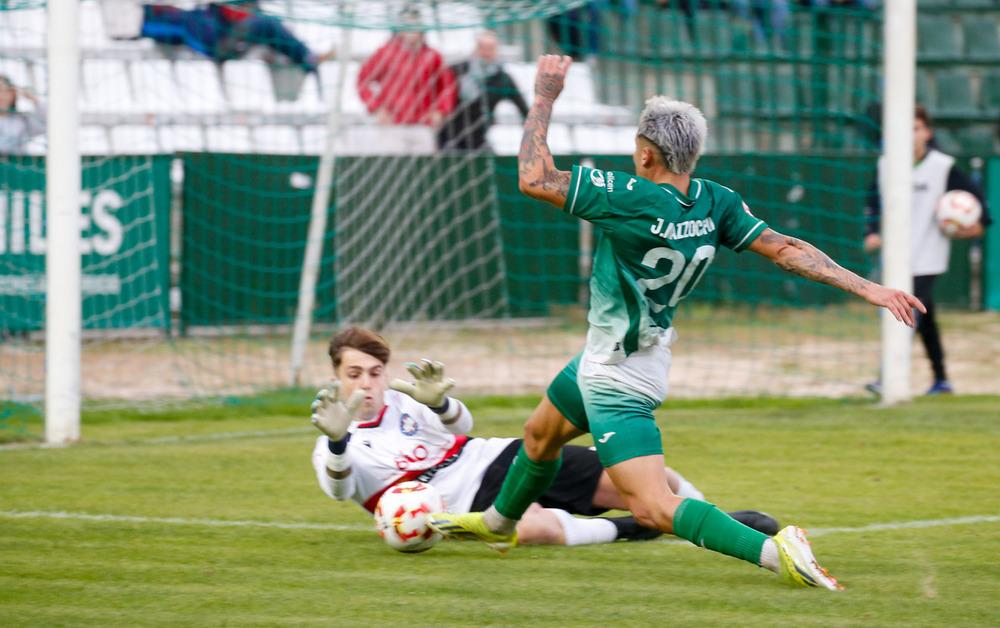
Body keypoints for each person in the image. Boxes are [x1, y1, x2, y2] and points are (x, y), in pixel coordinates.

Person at [427, 55, 925, 591]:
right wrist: (868, 286)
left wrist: (545, 95)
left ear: (645, 153)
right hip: (623, 354)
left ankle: (774, 550)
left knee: (652, 507)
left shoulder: (630, 197)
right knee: (541, 433)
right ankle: (499, 525)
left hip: (619, 377)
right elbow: (785, 249)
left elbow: (533, 178)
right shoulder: (716, 201)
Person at [309, 326, 780, 547]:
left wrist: (438, 402)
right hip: (455, 502)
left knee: (653, 482)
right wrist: (336, 441)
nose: (368, 383)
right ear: (337, 376)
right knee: (534, 529)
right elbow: (338, 490)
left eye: (375, 372)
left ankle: (718, 519)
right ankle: (630, 529)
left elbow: (462, 428)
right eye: (356, 373)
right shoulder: (332, 441)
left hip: (498, 458)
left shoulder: (404, 398)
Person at [863, 105, 992, 396]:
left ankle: (888, 377)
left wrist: (978, 224)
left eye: (916, 128)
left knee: (904, 311)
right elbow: (872, 201)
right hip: (896, 257)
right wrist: (871, 232)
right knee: (925, 317)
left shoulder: (942, 166)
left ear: (927, 132)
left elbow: (980, 205)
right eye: (904, 129)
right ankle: (942, 380)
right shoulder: (887, 164)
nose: (910, 135)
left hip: (928, 257)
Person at [102, 1, 333, 72]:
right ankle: (303, 57)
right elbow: (177, 31)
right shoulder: (154, 17)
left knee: (266, 23)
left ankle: (302, 57)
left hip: (226, 34)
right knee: (265, 24)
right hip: (215, 45)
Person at [357, 11, 456, 128]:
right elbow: (363, 80)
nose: (411, 31)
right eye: (407, 25)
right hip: (392, 123)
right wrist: (376, 108)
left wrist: (441, 110)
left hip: (424, 124)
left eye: (415, 25)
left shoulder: (433, 56)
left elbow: (448, 85)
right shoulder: (386, 53)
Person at [437, 31, 530, 152]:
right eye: (482, 48)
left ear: (496, 51)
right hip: (448, 136)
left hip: (479, 139)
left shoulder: (502, 79)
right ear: (475, 49)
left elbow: (522, 107)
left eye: (490, 48)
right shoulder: (457, 70)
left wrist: (531, 131)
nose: (485, 53)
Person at [0, 76, 45, 155]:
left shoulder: (22, 120)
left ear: (12, 94)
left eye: (5, 92)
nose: (1, 97)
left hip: (15, 165)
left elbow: (44, 126)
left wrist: (35, 100)